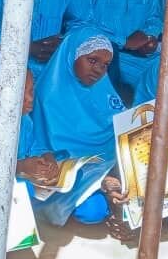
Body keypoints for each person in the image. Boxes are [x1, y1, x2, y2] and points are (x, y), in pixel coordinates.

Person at [0, 51, 115, 228]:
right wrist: (21, 166)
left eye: (32, 90)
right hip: (10, 183)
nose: (31, 99)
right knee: (23, 190)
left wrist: (48, 159)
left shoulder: (24, 120)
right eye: (24, 93)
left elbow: (36, 146)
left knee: (95, 208)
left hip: (41, 183)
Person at [30, 27, 125, 227]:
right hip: (73, 173)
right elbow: (51, 152)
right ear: (71, 56)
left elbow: (124, 129)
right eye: (92, 60)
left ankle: (111, 190)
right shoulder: (49, 96)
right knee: (93, 211)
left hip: (108, 166)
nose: (99, 69)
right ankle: (104, 190)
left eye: (105, 64)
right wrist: (102, 177)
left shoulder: (103, 90)